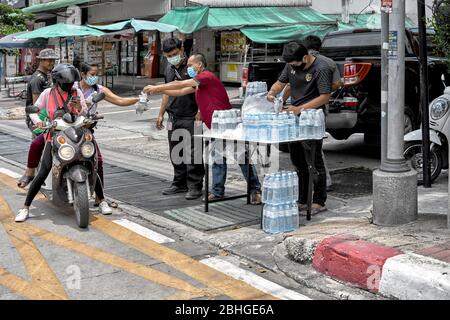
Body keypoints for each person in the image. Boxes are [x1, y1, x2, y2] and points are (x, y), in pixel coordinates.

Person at [143, 53, 262, 204]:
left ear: (199, 65)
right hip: (215, 127)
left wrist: (157, 87)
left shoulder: (206, 76)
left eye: (191, 65)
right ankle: (218, 191)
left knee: (241, 158)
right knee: (218, 159)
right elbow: (180, 92)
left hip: (229, 125)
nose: (189, 68)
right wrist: (158, 91)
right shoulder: (199, 84)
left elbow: (181, 84)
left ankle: (255, 189)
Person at [15, 64, 93, 222]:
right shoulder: (47, 93)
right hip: (55, 136)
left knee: (93, 161)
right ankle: (25, 207)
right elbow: (34, 110)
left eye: (71, 84)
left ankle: (102, 199)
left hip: (76, 134)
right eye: (66, 84)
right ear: (57, 82)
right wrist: (39, 123)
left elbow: (85, 112)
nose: (69, 87)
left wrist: (81, 109)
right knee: (43, 170)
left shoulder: (77, 92)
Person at [268, 41, 334, 215]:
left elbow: (324, 97)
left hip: (312, 120)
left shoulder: (321, 68)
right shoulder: (291, 65)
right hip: (293, 119)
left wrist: (300, 109)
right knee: (297, 161)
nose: (292, 67)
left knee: (313, 161)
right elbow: (283, 83)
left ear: (305, 57)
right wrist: (273, 93)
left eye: (295, 64)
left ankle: (319, 200)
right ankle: (303, 199)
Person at [73, 62, 140, 210]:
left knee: (98, 160)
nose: (95, 77)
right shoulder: (73, 88)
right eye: (92, 74)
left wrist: (138, 99)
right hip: (69, 129)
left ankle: (100, 197)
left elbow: (120, 100)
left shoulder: (98, 90)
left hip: (86, 130)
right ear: (83, 74)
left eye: (97, 74)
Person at [156, 38, 204, 200]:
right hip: (173, 116)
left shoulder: (192, 66)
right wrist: (161, 113)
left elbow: (202, 89)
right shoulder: (168, 69)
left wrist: (200, 110)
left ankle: (195, 186)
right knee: (176, 151)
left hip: (192, 116)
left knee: (194, 153)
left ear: (181, 49)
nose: (173, 57)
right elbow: (166, 91)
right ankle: (179, 183)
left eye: (175, 54)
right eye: (169, 55)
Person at [17, 49, 58, 188]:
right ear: (41, 60)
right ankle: (29, 174)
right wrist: (43, 121)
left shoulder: (47, 76)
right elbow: (37, 106)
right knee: (38, 146)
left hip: (48, 116)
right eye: (48, 60)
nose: (51, 62)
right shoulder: (37, 79)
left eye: (53, 60)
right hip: (37, 118)